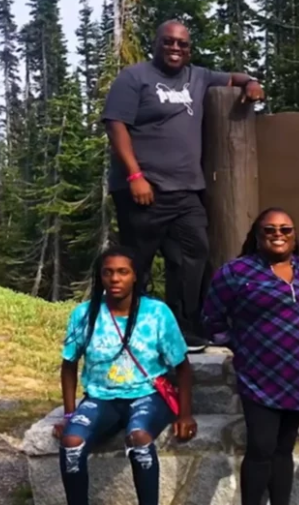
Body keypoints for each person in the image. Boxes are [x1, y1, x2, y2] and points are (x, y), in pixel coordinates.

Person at [102, 19, 266, 352]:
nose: (176, 48)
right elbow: (115, 124)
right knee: (138, 262)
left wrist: (251, 82)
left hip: (187, 190)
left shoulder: (199, 76)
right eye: (169, 42)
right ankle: (131, 330)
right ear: (156, 43)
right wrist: (135, 176)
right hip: (143, 190)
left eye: (182, 44)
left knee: (193, 255)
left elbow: (234, 77)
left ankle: (182, 326)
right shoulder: (134, 78)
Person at [54, 246, 196, 505]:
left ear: (136, 277)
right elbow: (69, 365)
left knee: (139, 438)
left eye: (123, 272)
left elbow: (183, 367)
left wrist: (185, 414)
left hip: (147, 395)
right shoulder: (84, 314)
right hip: (101, 397)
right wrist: (68, 413)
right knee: (72, 441)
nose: (115, 278)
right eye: (108, 272)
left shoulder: (156, 313)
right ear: (100, 276)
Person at [202, 208, 299, 505]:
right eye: (269, 229)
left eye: (285, 229)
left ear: (294, 233)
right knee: (260, 448)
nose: (278, 233)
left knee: (283, 450)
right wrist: (241, 343)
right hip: (259, 375)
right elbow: (211, 319)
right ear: (257, 234)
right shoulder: (236, 273)